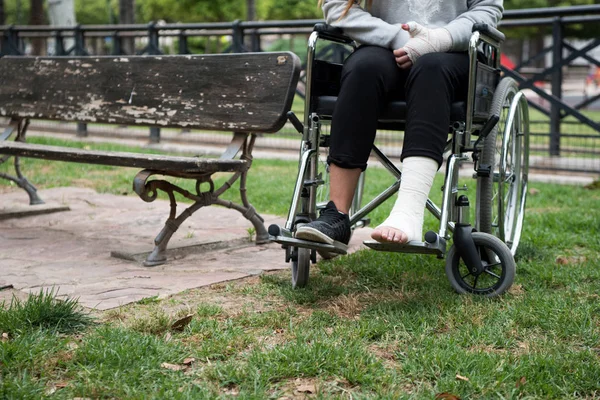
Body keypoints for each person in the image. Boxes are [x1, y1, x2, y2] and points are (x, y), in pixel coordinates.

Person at [295, 0, 504, 251]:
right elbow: (338, 7)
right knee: (363, 68)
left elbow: (487, 9)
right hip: (385, 48)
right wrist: (399, 38)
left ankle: (408, 212)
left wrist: (438, 39)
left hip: (454, 53)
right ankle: (336, 216)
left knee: (431, 68)